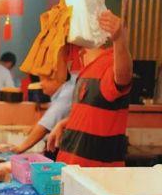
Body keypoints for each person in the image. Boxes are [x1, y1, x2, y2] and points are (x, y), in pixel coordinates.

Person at [47, 10, 133, 167]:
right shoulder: (86, 70)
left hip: (93, 180)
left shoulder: (108, 63)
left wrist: (119, 39)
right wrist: (66, 123)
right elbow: (93, 114)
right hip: (72, 174)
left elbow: (123, 76)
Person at [13, 74, 76, 155]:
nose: (41, 84)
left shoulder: (68, 91)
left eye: (47, 79)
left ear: (59, 79)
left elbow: (46, 124)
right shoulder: (64, 89)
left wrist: (19, 148)